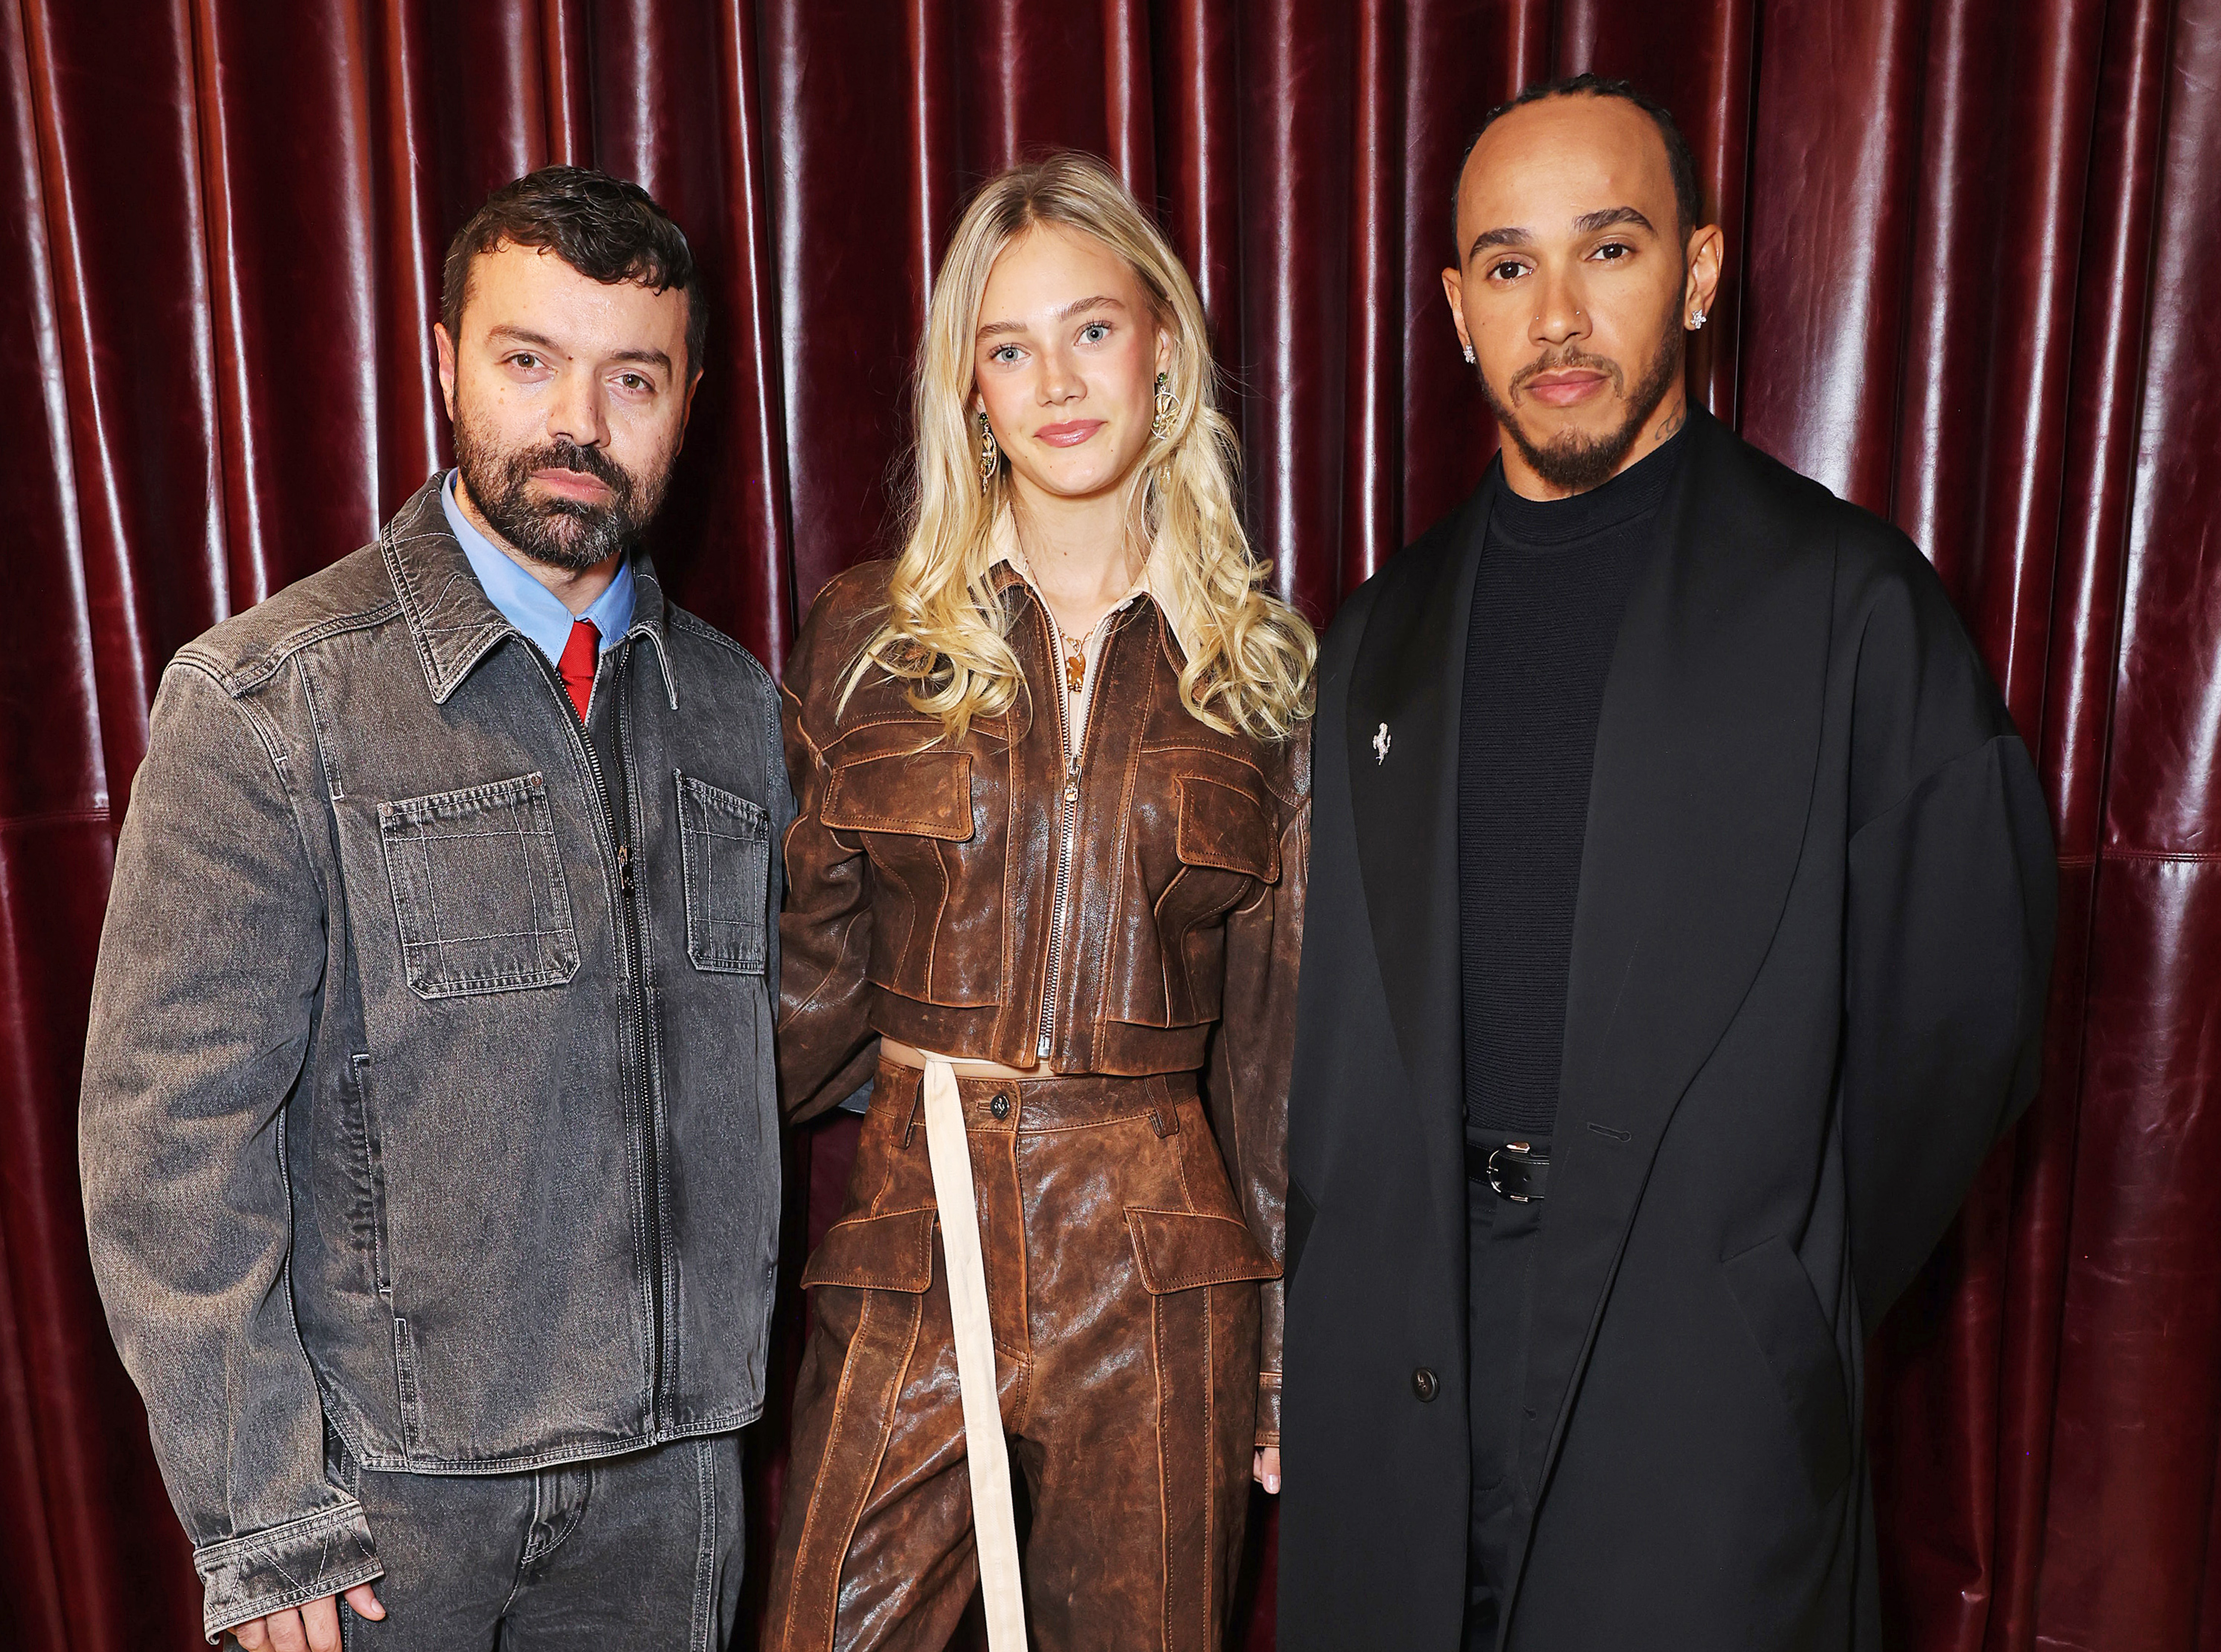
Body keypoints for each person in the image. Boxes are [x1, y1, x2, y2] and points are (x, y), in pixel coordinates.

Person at [1278, 76, 2057, 1652]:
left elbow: (1959, 1027)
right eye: (1509, 265)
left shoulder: (1853, 612)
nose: (1557, 314)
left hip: (1696, 1384)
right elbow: (1340, 1057)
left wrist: (1762, 1273)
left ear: (1698, 272)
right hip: (1403, 1375)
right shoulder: (1379, 635)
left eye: (1609, 249)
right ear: (1455, 308)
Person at [79, 166, 791, 1652]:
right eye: (530, 361)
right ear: (447, 361)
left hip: (679, 1498)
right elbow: (167, 1136)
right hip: (389, 1513)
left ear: (692, 397)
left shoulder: (742, 713)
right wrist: (263, 1515)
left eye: (633, 377)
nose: (578, 424)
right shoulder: (269, 703)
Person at [761, 151, 1312, 1652]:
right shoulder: (866, 637)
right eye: (1009, 346)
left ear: (1163, 352)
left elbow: (1274, 1066)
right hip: (912, 1231)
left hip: (1160, 1260)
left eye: (1091, 330)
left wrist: (1280, 1362)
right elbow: (790, 1009)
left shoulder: (1265, 672)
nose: (1057, 381)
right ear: (971, 391)